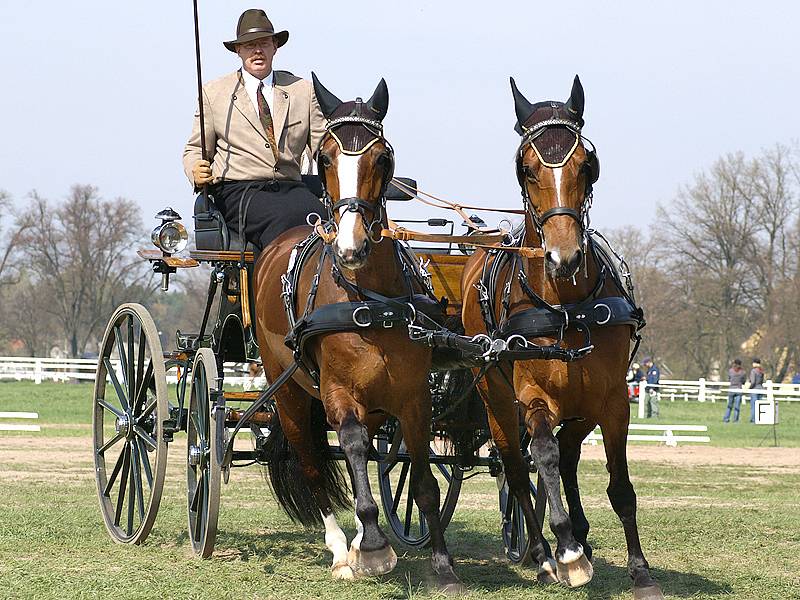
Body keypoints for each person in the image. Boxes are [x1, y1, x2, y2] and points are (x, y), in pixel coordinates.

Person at [183, 9, 327, 253]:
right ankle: (282, 289)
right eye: (249, 45)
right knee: (288, 220)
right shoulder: (214, 93)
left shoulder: (303, 90)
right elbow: (195, 149)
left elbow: (324, 147)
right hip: (240, 191)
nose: (257, 51)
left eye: (263, 43)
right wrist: (195, 169)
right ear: (238, 51)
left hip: (291, 188)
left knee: (327, 222)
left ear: (275, 46)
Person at [723, 358, 747, 423]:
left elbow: (729, 378)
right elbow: (744, 381)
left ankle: (726, 418)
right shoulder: (743, 372)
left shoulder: (730, 371)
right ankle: (735, 419)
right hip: (739, 390)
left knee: (729, 406)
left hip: (731, 389)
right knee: (737, 406)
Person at [747, 357, 765, 423]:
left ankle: (753, 419)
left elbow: (753, 382)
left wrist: (749, 388)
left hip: (754, 389)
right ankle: (759, 419)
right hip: (761, 389)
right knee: (759, 406)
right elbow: (762, 381)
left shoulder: (753, 371)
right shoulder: (761, 371)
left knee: (754, 406)